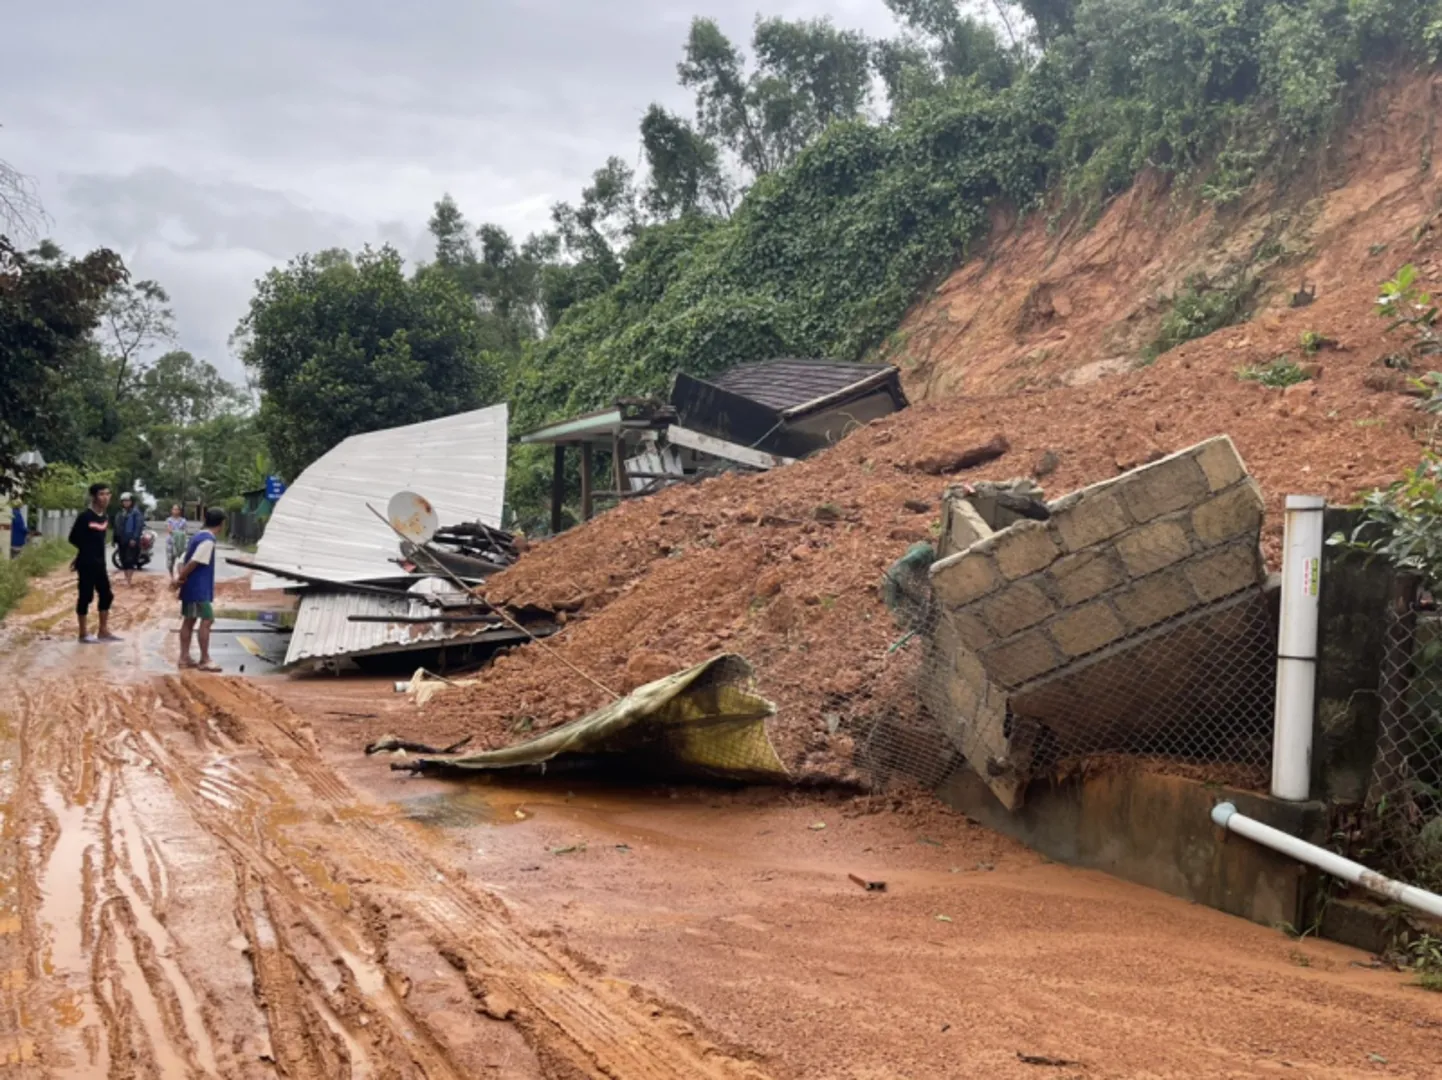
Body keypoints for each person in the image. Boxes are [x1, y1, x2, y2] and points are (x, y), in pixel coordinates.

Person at [68, 482, 119, 644]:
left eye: (107, 494)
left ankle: (103, 630)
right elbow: (73, 538)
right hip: (87, 563)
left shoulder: (104, 517)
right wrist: (82, 554)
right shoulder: (85, 517)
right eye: (102, 494)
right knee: (85, 596)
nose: (105, 497)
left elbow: (99, 541)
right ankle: (83, 633)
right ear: (94, 497)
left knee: (107, 595)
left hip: (100, 563)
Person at [174, 507, 224, 672]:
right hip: (198, 588)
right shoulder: (208, 540)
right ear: (222, 524)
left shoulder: (197, 536)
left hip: (190, 587)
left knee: (189, 620)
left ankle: (184, 657)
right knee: (207, 620)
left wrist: (181, 577)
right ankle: (204, 659)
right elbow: (194, 561)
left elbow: (182, 559)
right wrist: (180, 579)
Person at [115, 492, 145, 586]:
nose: (126, 503)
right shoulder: (120, 513)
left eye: (127, 501)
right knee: (123, 560)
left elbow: (138, 526)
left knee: (130, 560)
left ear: (131, 501)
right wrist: (114, 539)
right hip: (121, 540)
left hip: (131, 540)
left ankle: (129, 580)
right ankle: (126, 578)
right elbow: (117, 526)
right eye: (124, 501)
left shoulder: (136, 513)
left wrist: (134, 538)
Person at [165, 503, 187, 581]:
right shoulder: (169, 520)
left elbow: (184, 532)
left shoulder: (183, 521)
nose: (175, 511)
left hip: (180, 543)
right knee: (170, 561)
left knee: (182, 560)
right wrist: (177, 532)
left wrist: (175, 532)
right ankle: (172, 577)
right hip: (170, 543)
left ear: (179, 511)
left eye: (177, 509)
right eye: (174, 509)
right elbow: (169, 530)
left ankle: (181, 577)